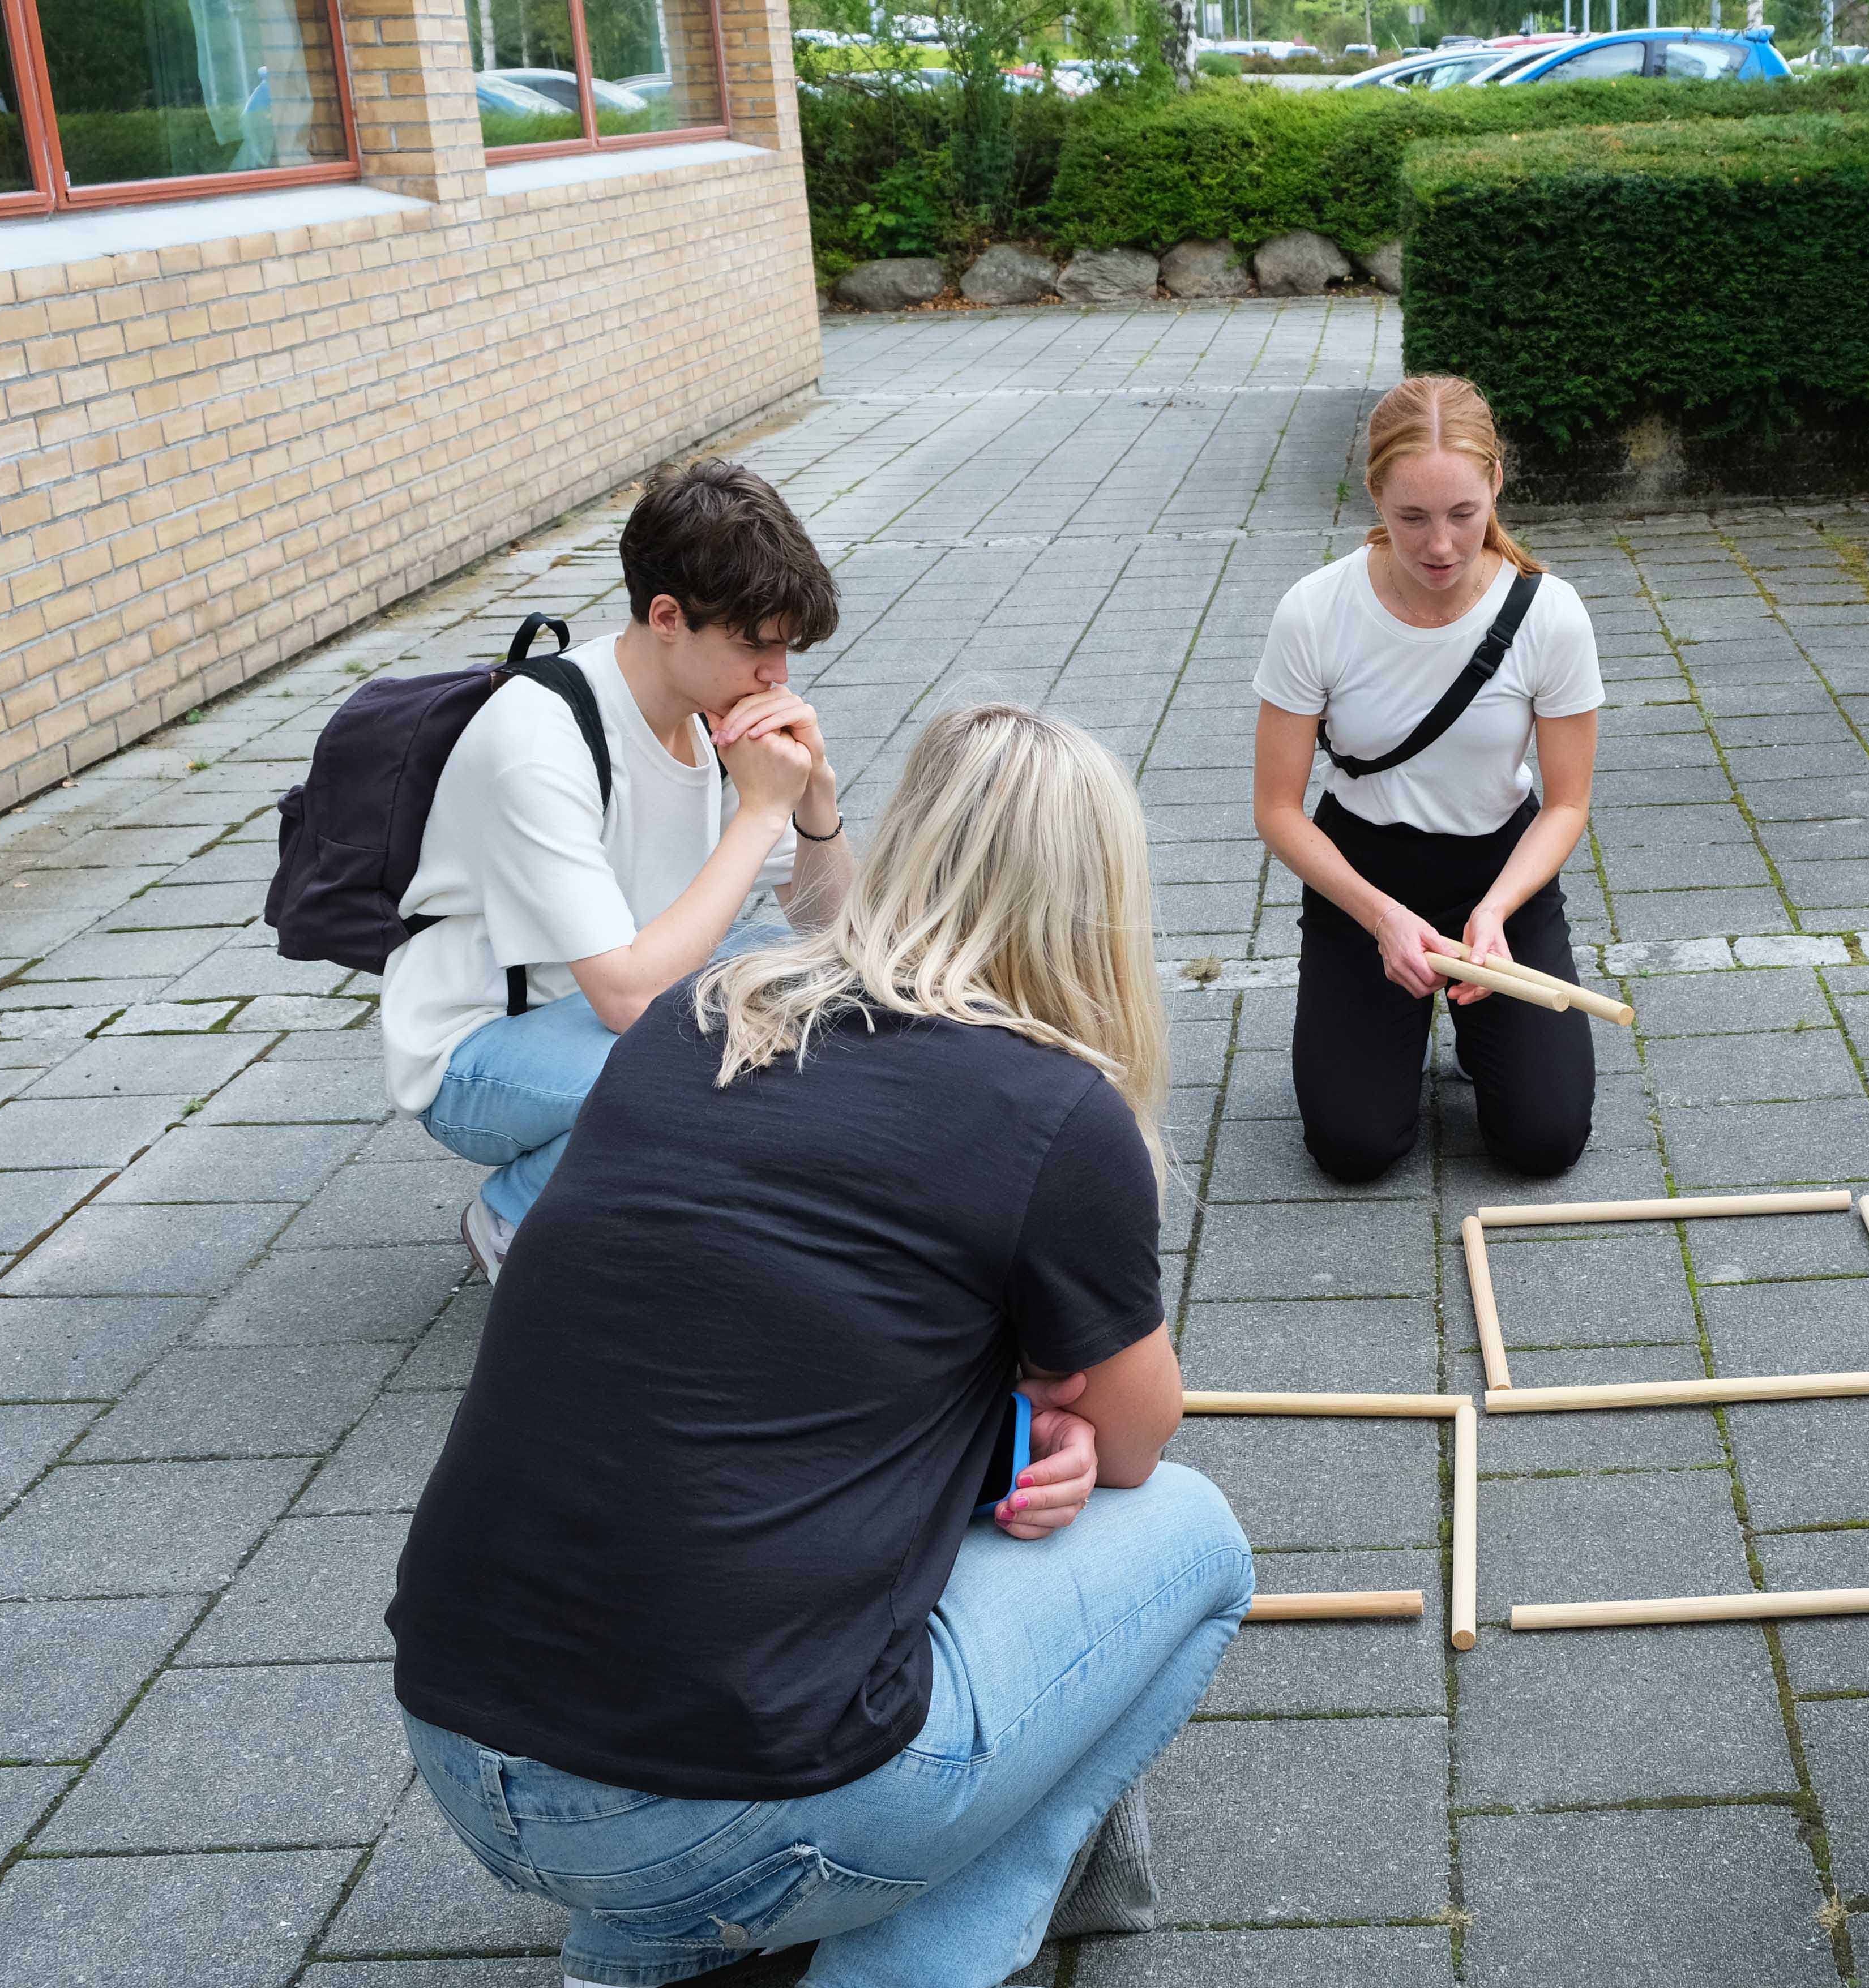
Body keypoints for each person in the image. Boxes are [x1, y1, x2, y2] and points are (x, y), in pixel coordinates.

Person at [387, 705, 1250, 1988]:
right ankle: (889, 1956)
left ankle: (644, 1948)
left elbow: (762, 1340)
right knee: (1196, 1542)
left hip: (458, 1742)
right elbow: (1136, 1440)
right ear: (1098, 905)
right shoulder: (1057, 1109)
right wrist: (1047, 1406)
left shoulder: (695, 1018)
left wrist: (998, 1423)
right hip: (711, 1803)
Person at [382, 459, 856, 1279]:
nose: (778, 676)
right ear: (668, 616)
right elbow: (629, 1002)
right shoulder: (539, 741)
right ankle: (514, 1211)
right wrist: (758, 814)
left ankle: (666, 1199)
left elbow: (835, 931)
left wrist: (813, 800)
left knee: (836, 1003)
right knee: (725, 1067)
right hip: (480, 1052)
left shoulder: (714, 711)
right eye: (756, 646)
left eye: (786, 647)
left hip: (629, 1000)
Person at [1250, 375, 1603, 1182]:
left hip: (1497, 876)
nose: (1440, 545)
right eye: (1411, 517)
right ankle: (1398, 1026)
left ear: (1496, 487)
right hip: (1362, 880)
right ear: (1373, 491)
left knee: (1546, 1142)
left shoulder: (1550, 615)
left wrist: (1497, 909)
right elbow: (1277, 809)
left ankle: (1475, 1031)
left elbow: (1568, 802)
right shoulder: (1314, 611)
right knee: (1354, 1149)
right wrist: (1380, 918)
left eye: (1463, 515)